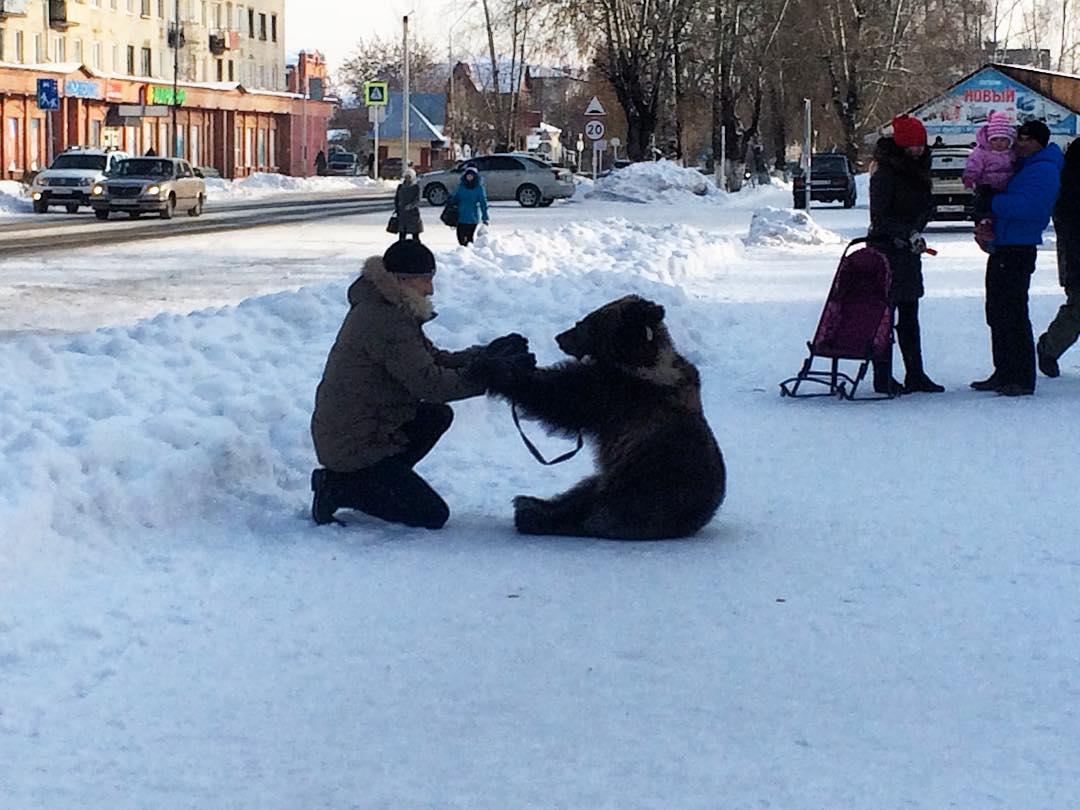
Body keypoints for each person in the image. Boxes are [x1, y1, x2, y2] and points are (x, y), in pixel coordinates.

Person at [309, 240, 534, 528]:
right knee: (432, 515)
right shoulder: (384, 320)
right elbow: (431, 385)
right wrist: (490, 374)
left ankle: (380, 484)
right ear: (402, 280)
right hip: (351, 444)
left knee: (436, 416)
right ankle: (338, 486)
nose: (430, 289)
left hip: (368, 429)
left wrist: (484, 355)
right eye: (425, 279)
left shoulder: (389, 308)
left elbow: (434, 359)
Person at [970, 120, 1064, 396]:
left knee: (1013, 312)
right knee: (997, 311)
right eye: (1018, 137)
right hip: (1004, 243)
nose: (1019, 143)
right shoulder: (1023, 165)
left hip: (1018, 247)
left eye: (1026, 139)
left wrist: (993, 202)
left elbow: (1030, 208)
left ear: (1038, 143)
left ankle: (1021, 377)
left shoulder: (1043, 170)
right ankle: (1004, 371)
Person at [866, 114, 943, 396]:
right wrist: (906, 234)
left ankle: (916, 374)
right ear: (899, 146)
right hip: (886, 252)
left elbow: (921, 208)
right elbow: (880, 217)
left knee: (910, 315)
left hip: (908, 252)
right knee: (885, 316)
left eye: (920, 145)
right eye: (911, 145)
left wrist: (917, 229)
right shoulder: (885, 174)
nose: (917, 150)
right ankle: (882, 376)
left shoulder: (919, 170)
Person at [1035, 138, 1080, 378]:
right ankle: (1050, 347)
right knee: (1078, 307)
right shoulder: (1075, 157)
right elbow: (1066, 210)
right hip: (1077, 247)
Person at [963, 111, 1017, 253]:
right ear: (989, 140)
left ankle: (996, 228)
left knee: (1002, 209)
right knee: (985, 204)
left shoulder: (1012, 154)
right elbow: (973, 165)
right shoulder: (982, 153)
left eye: (1003, 140)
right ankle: (984, 224)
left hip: (1006, 187)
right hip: (987, 185)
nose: (999, 143)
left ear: (1009, 141)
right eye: (995, 140)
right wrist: (970, 178)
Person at [447, 165, 489, 246]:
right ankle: (464, 252)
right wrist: (451, 200)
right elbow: (455, 198)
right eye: (468, 175)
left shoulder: (479, 188)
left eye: (471, 175)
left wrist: (485, 218)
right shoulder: (461, 187)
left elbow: (483, 203)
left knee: (469, 238)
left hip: (472, 218)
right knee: (460, 237)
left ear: (475, 176)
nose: (469, 177)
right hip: (460, 217)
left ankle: (469, 254)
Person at [393, 167, 423, 241]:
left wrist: (411, 206)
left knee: (415, 235)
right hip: (402, 214)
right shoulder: (400, 187)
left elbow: (418, 199)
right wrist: (397, 208)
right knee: (402, 234)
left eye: (409, 177)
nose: (407, 178)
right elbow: (396, 198)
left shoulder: (416, 187)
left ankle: (416, 250)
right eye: (406, 176)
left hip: (413, 215)